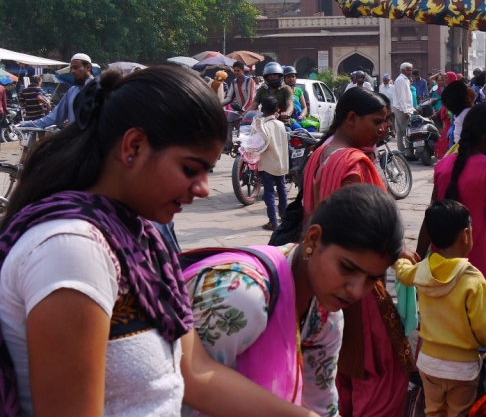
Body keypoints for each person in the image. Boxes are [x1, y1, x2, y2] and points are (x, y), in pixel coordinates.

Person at [0, 67, 317, 417]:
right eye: (189, 169)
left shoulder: (141, 237)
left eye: (206, 172)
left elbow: (197, 375)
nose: (203, 190)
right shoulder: (72, 249)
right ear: (134, 146)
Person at [184, 184, 404, 417]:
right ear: (313, 239)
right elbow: (186, 391)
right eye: (347, 268)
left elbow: (321, 404)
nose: (357, 291)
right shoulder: (242, 295)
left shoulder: (324, 316)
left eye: (372, 279)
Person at [301, 87, 414, 417]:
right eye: (377, 122)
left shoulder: (321, 152)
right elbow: (360, 230)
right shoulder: (353, 162)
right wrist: (397, 253)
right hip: (354, 276)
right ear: (351, 119)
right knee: (377, 367)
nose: (384, 129)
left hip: (323, 271)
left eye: (387, 122)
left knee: (343, 362)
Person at [394, 200, 486, 417]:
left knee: (433, 411)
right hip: (462, 370)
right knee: (459, 413)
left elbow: (403, 273)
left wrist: (400, 258)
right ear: (466, 234)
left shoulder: (422, 270)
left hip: (429, 364)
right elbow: (485, 328)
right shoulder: (473, 279)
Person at [420, 103, 486, 281]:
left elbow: (430, 215)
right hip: (473, 266)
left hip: (438, 265)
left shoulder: (443, 164)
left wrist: (418, 255)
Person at [19, 53, 92, 129]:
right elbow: (54, 117)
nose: (72, 71)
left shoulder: (99, 89)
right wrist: (26, 124)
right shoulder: (72, 92)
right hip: (77, 138)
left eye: (76, 68)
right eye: (71, 68)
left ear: (88, 67)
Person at [252, 96, 289, 231]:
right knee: (282, 190)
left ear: (262, 109)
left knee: (269, 193)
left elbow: (259, 144)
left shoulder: (264, 126)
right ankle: (284, 217)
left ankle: (273, 221)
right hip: (281, 162)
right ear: (276, 109)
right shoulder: (281, 124)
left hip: (268, 163)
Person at [440, 80, 475, 147]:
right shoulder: (470, 113)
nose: (470, 87)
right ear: (467, 99)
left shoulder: (461, 112)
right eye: (467, 87)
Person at [393, 63, 415, 159]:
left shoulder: (404, 79)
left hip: (401, 108)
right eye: (408, 70)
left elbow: (407, 97)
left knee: (401, 133)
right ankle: (408, 153)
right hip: (401, 109)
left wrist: (413, 109)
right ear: (403, 70)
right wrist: (406, 111)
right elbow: (402, 97)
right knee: (406, 132)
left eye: (411, 70)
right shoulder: (401, 80)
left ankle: (402, 153)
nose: (410, 72)